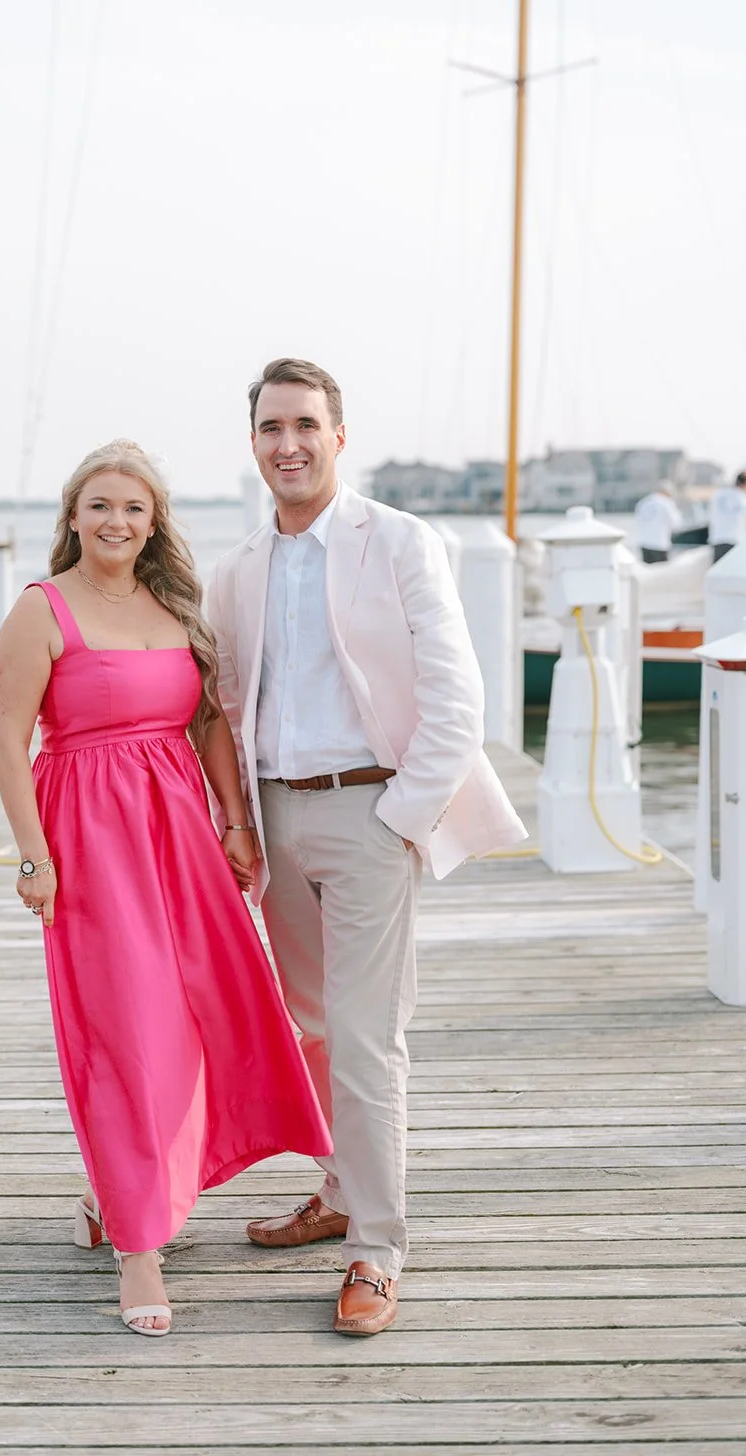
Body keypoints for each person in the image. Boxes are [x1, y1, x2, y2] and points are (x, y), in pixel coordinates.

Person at [206, 359, 526, 1337]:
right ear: (253, 442)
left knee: (364, 1034)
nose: (289, 443)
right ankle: (338, 1189)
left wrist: (401, 820)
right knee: (307, 1025)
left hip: (371, 814)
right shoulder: (237, 568)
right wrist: (238, 823)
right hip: (274, 817)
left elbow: (455, 700)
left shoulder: (398, 543)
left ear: (339, 437)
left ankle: (377, 1250)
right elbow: (223, 703)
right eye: (271, 427)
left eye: (306, 424)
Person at [0, 439, 332, 1339]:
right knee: (128, 1027)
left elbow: (210, 721)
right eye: (100, 505)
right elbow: (8, 742)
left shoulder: (177, 603)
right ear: (72, 515)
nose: (116, 522)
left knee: (207, 1015)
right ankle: (139, 1248)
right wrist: (34, 856)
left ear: (155, 523)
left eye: (134, 509)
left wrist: (236, 822)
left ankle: (120, 1197)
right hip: (92, 837)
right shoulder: (42, 609)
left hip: (181, 832)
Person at [634, 480, 684, 563]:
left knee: (648, 571)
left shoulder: (643, 502)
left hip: (644, 543)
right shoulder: (666, 503)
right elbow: (677, 523)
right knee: (661, 572)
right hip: (659, 544)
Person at [709, 471, 746, 563]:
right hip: (734, 540)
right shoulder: (740, 497)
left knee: (718, 573)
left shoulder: (719, 494)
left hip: (717, 539)